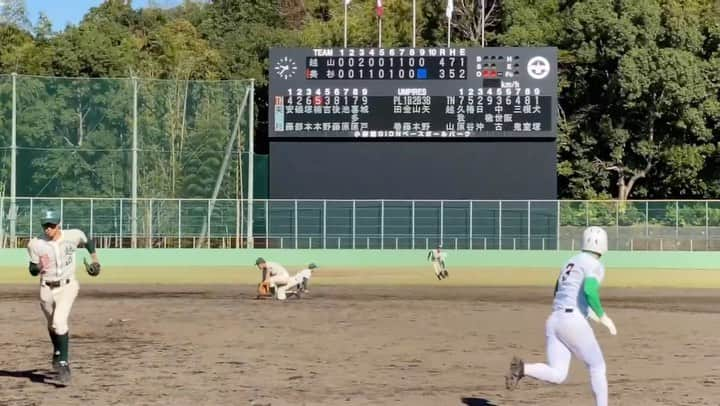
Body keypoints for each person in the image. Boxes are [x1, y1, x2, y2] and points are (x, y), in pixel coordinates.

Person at [505, 226, 617, 406]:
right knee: (597, 366)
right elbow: (589, 290)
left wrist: (587, 313)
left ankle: (522, 368)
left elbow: (559, 290)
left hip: (555, 320)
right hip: (573, 322)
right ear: (603, 244)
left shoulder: (570, 261)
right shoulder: (595, 264)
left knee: (558, 374)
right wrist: (602, 316)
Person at [26, 209, 101, 386]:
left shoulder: (72, 235)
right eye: (45, 225)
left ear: (58, 224)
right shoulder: (35, 244)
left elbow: (87, 240)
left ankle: (63, 363)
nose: (48, 229)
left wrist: (95, 260)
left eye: (51, 225)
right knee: (52, 324)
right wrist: (37, 268)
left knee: (59, 321)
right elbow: (31, 270)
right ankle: (58, 351)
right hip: (46, 287)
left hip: (68, 285)